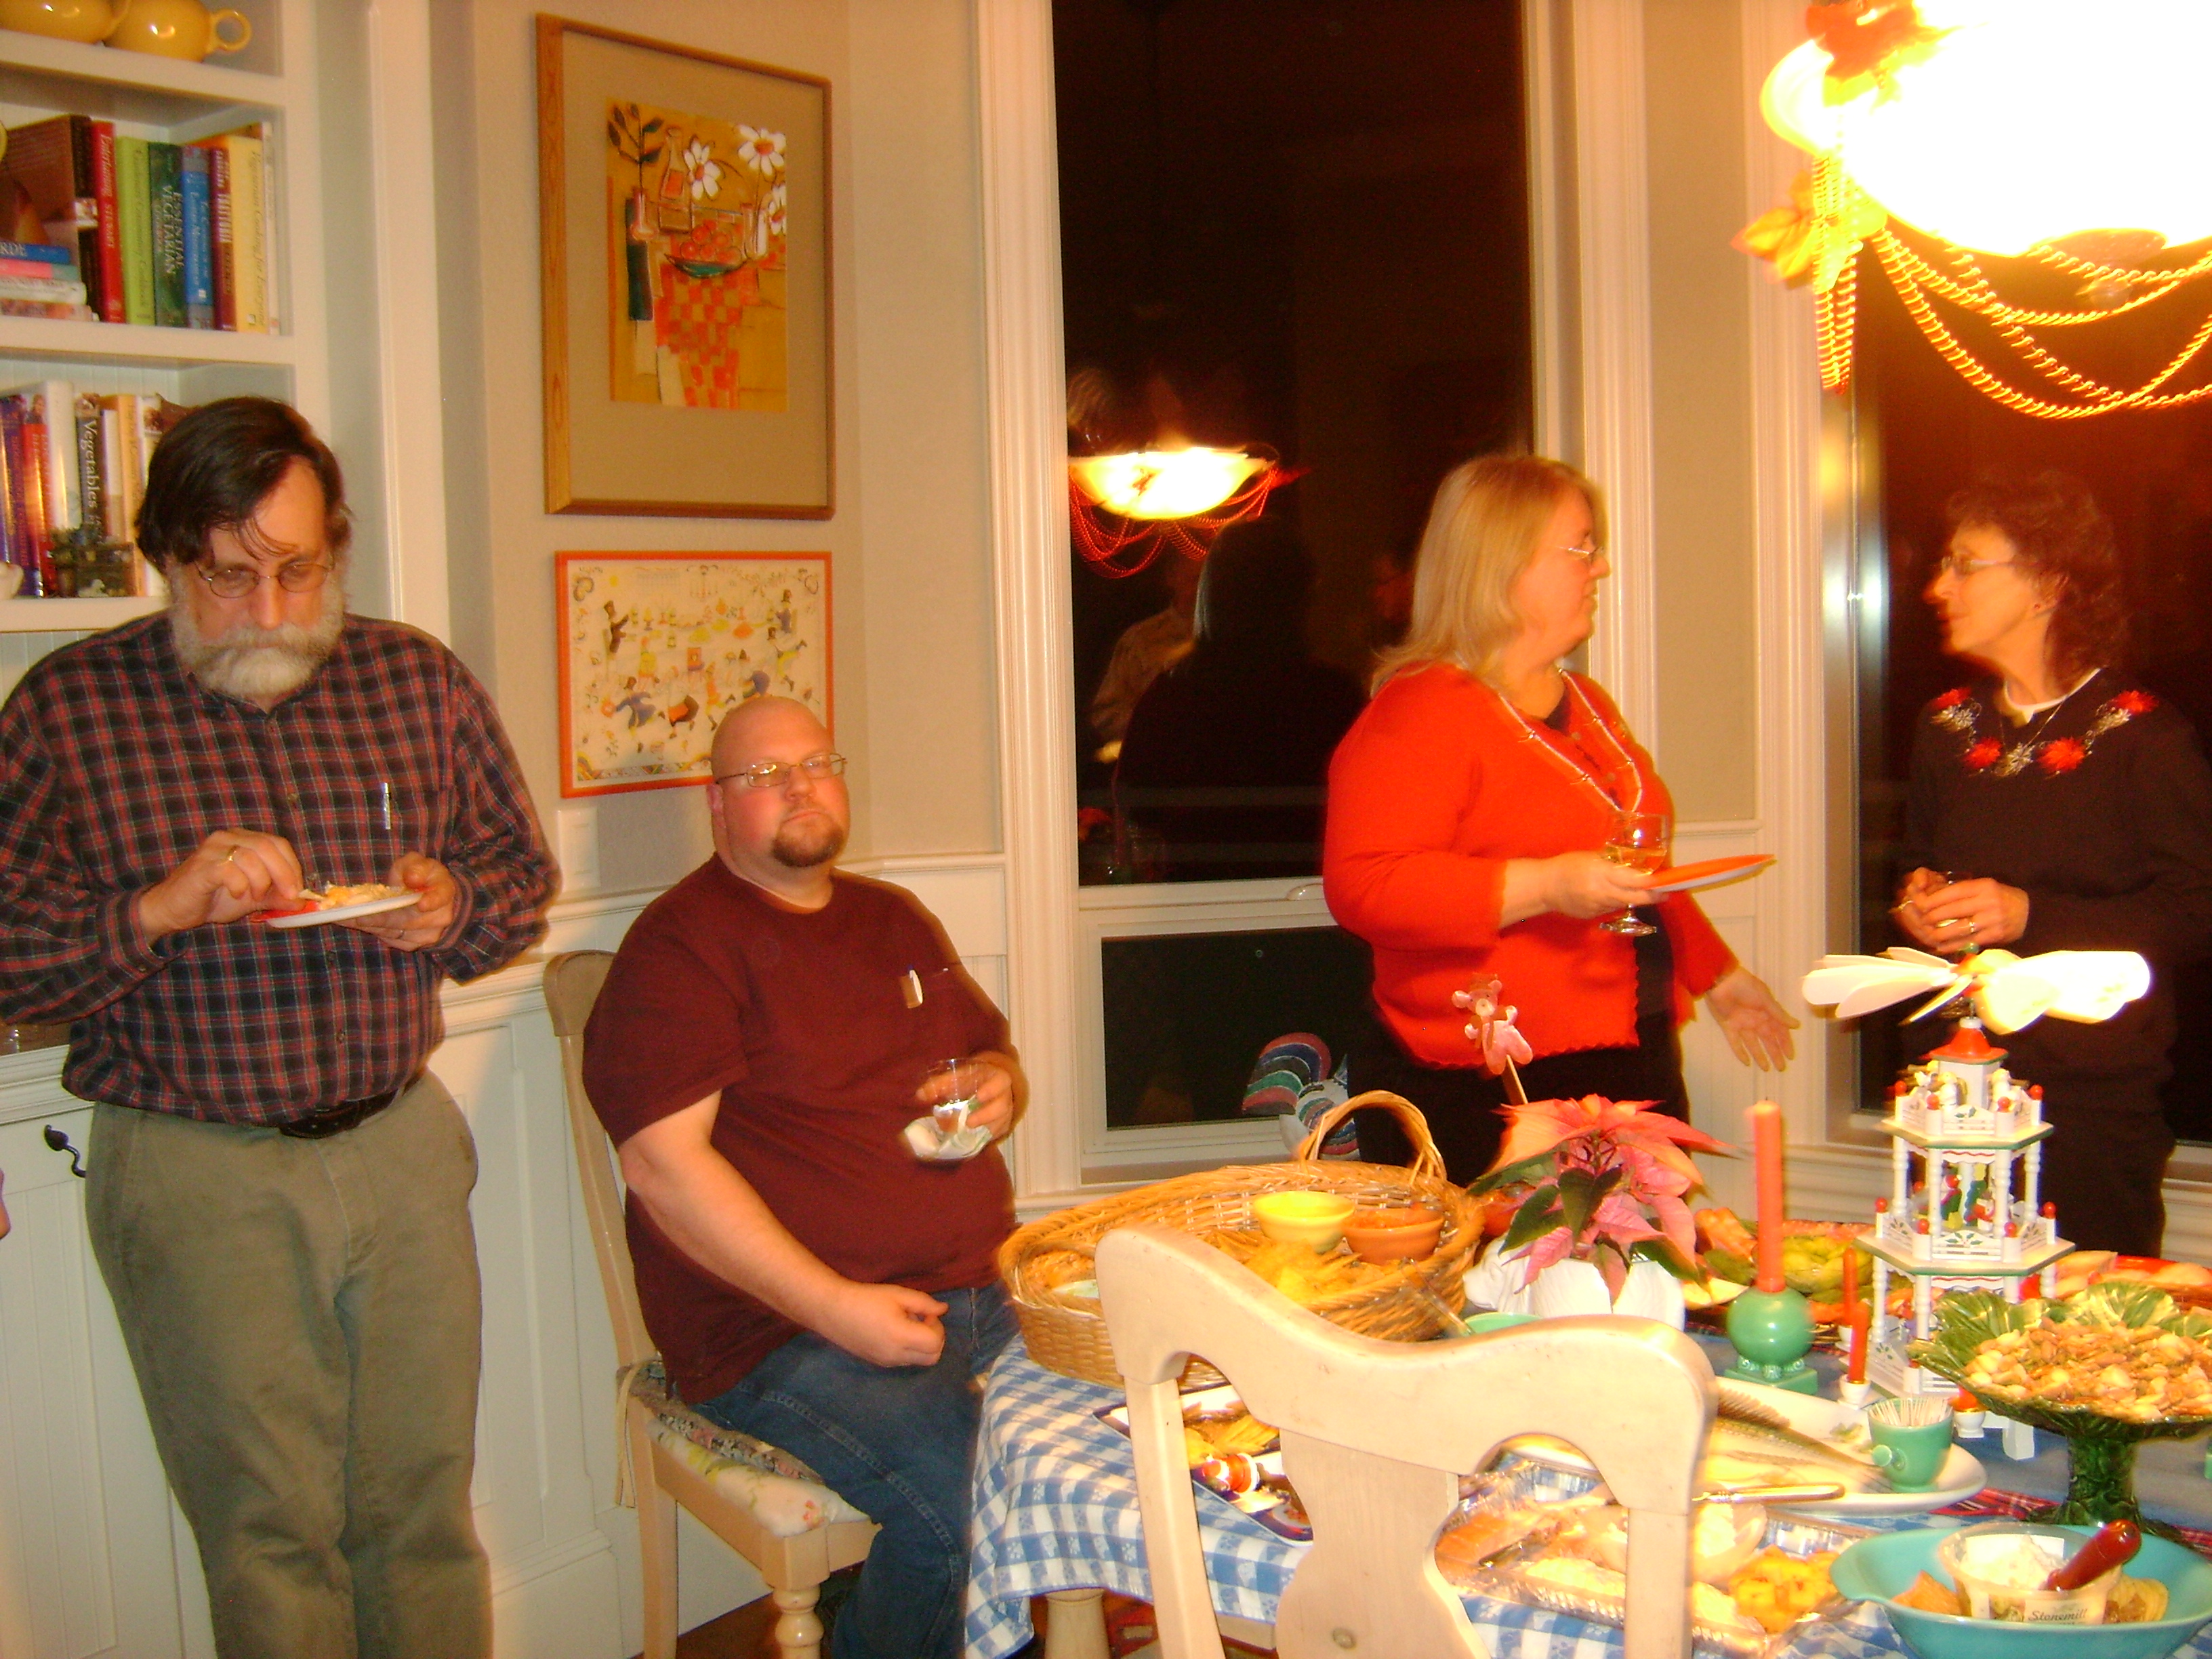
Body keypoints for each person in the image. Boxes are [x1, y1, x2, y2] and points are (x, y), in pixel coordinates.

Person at [0, 396, 556, 1658]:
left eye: (296, 570)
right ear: (166, 559)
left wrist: (452, 908)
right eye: (227, 575)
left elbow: (517, 877)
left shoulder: (415, 679)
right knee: (269, 1534)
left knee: (424, 1512)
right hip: (198, 1170)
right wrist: (156, 908)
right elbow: (8, 950)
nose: (266, 607)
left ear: (334, 546)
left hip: (401, 1146)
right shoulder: (69, 708)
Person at [581, 696, 1026, 1659]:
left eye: (817, 764)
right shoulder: (682, 947)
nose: (800, 788)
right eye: (765, 775)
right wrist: (835, 1308)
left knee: (1133, 1418)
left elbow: (987, 1056)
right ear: (717, 804)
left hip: (977, 1289)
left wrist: (999, 1083)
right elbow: (662, 1168)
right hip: (783, 1334)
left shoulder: (890, 918)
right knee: (967, 1500)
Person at [1323, 455, 1799, 1182]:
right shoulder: (1419, 713)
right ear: (1504, 565)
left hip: (1626, 1050)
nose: (1600, 567)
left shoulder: (1587, 703)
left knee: (1637, 1251)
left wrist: (1720, 977)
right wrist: (1547, 885)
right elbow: (1367, 888)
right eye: (1580, 548)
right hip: (1487, 1081)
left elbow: (1636, 871)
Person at [1894, 469, 2212, 1255]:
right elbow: (1920, 857)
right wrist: (1919, 895)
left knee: (2079, 1320)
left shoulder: (2144, 736)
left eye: (1966, 565)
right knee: (1949, 1303)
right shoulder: (1947, 727)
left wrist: (2031, 914)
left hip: (2091, 1105)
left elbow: (2195, 911)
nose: (1938, 587)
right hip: (1955, 1084)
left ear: (2047, 584)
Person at [1115, 517, 1366, 881]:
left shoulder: (1173, 694)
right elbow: (1365, 803)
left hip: (1199, 894)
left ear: (1212, 593)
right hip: (1307, 893)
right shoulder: (1332, 694)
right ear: (1300, 598)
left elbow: (1138, 800)